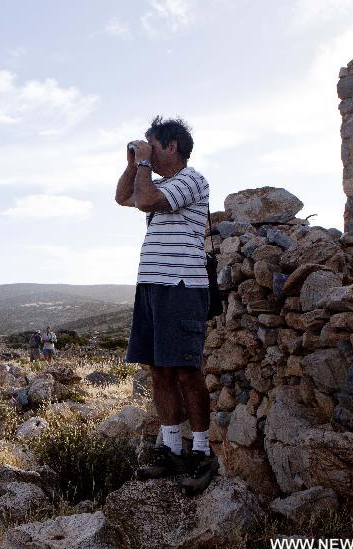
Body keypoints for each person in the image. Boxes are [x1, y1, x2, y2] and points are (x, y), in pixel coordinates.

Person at [114, 116, 217, 496]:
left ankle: (202, 451)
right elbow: (123, 197)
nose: (148, 152)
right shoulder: (153, 182)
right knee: (159, 369)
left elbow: (145, 200)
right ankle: (171, 446)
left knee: (186, 371)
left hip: (182, 287)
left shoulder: (193, 180)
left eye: (152, 145)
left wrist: (142, 165)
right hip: (152, 288)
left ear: (172, 146)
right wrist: (133, 164)